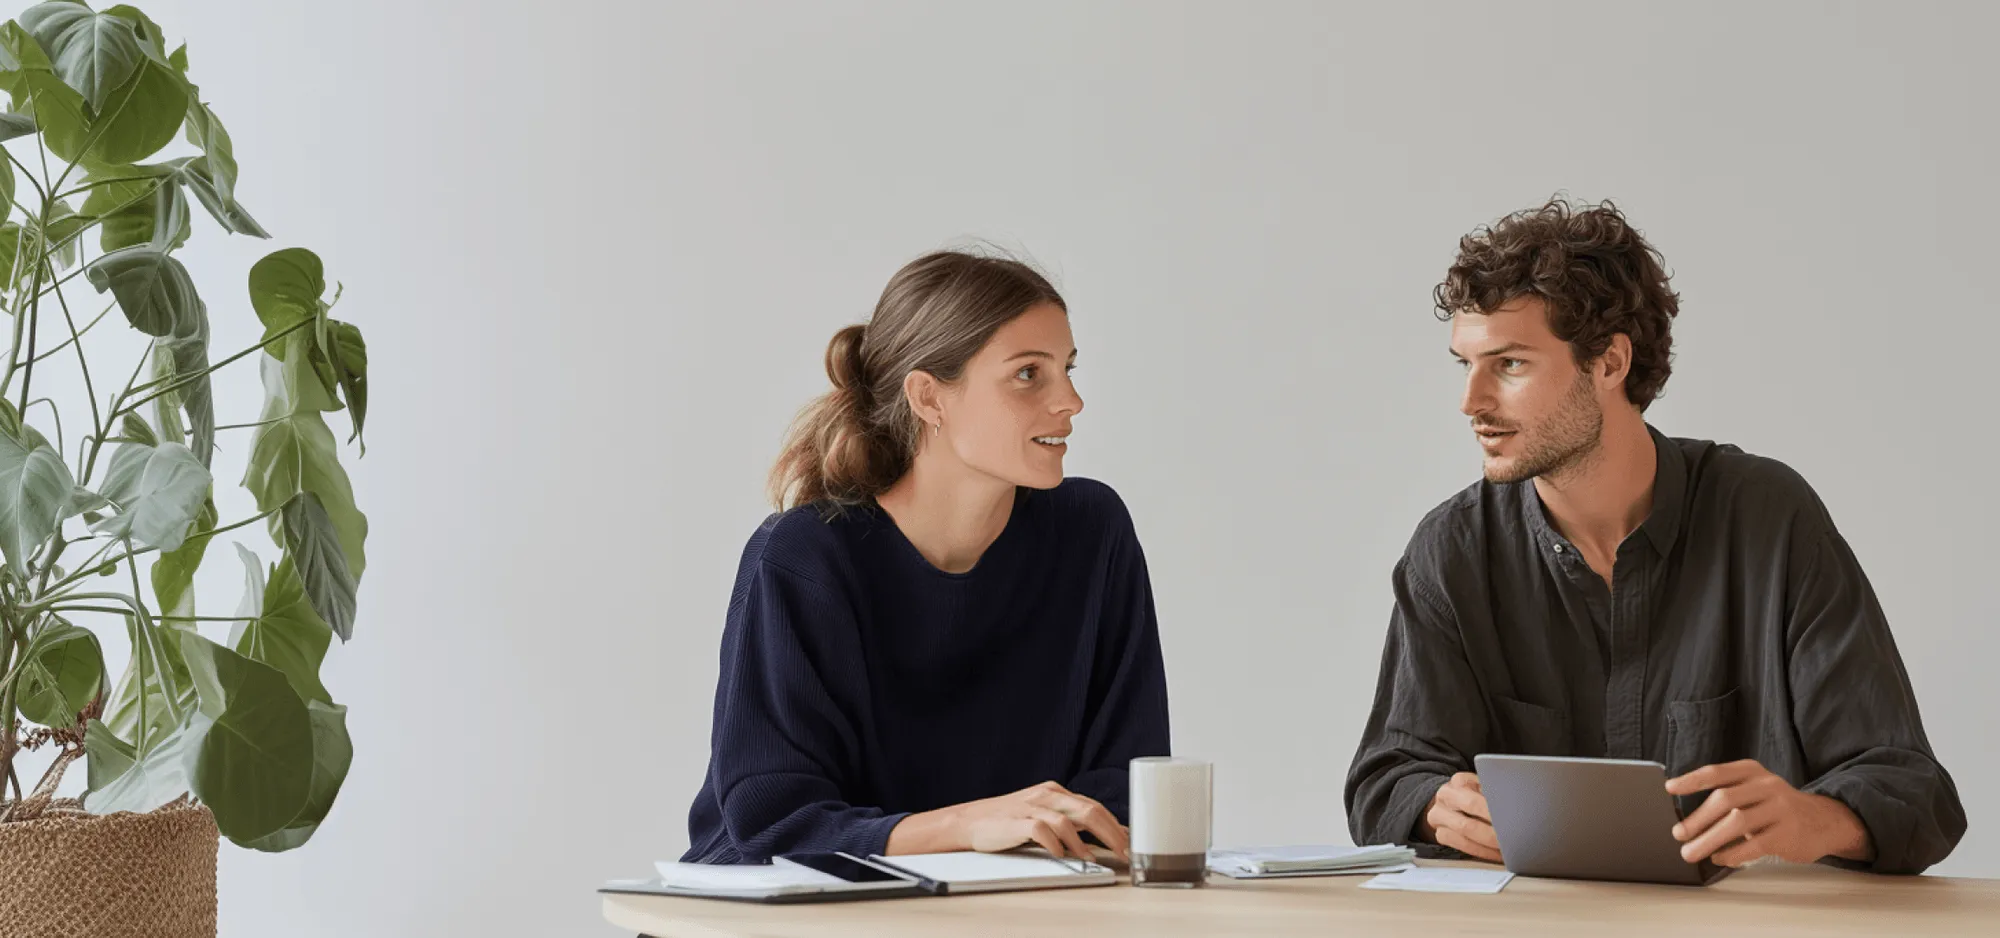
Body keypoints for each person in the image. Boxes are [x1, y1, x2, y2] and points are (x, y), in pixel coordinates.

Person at [1344, 198, 1966, 874]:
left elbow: (1915, 792)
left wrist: (1813, 818)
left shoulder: (1767, 521)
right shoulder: (1453, 551)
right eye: (1465, 364)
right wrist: (1435, 803)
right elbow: (1386, 780)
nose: (1471, 402)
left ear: (1609, 363)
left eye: (1510, 364)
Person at [682, 249, 1170, 865]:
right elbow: (775, 825)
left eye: (1068, 369)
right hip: (784, 916)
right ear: (929, 397)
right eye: (1028, 373)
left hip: (997, 905)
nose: (1070, 400)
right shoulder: (805, 558)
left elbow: (1124, 792)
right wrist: (970, 826)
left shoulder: (1091, 532)